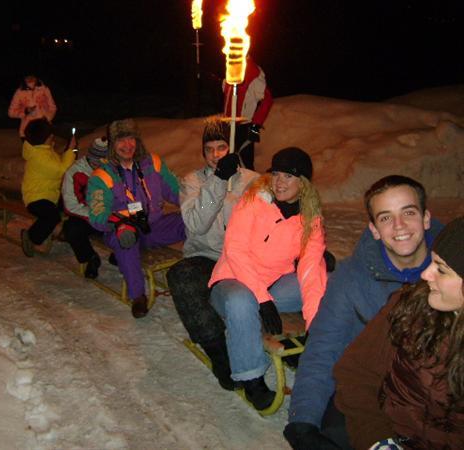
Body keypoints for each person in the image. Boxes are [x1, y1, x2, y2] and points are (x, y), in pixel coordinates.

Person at [284, 175, 444, 450]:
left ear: (426, 218)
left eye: (408, 212)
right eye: (385, 218)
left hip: (437, 397)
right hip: (372, 391)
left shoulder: (452, 271)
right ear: (373, 229)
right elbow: (324, 347)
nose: (399, 226)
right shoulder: (352, 279)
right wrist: (303, 420)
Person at [208, 147, 328, 410]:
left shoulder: (310, 219)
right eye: (276, 174)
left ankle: (302, 338)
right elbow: (235, 250)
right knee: (242, 302)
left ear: (303, 183)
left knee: (321, 278)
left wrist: (315, 322)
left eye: (288, 176)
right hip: (232, 280)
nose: (279, 182)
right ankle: (250, 376)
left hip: (274, 285)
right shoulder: (253, 200)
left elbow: (309, 269)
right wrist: (262, 299)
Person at [334, 216, 464, 450]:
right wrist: (377, 440)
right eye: (432, 262)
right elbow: (356, 372)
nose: (426, 274)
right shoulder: (411, 306)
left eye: (442, 270)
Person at [166, 117, 262, 390]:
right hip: (207, 255)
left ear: (231, 148)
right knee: (182, 277)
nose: (215, 155)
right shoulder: (193, 182)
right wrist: (218, 181)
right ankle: (217, 350)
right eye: (209, 149)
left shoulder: (253, 181)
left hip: (244, 259)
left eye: (221, 147)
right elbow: (197, 225)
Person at [86, 119, 185, 319]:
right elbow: (97, 217)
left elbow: (177, 193)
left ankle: (208, 273)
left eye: (131, 139)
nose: (127, 145)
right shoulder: (102, 177)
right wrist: (122, 221)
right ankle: (138, 295)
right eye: (121, 140)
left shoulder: (153, 163)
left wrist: (201, 205)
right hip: (123, 230)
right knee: (127, 240)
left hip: (154, 226)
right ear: (112, 145)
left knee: (191, 220)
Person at [20, 118, 76, 257]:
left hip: (48, 195)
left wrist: (68, 150)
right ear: (47, 137)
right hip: (36, 198)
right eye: (51, 134)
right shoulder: (40, 156)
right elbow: (61, 170)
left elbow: (58, 165)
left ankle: (62, 232)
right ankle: (31, 237)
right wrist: (70, 151)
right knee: (51, 217)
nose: (53, 136)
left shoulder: (43, 151)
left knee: (70, 207)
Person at [61, 137, 109, 278]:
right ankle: (90, 258)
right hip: (86, 216)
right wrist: (96, 215)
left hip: (108, 215)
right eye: (96, 163)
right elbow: (71, 206)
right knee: (71, 229)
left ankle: (120, 258)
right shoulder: (75, 173)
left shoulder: (111, 171)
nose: (98, 166)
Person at [222, 55, 273, 171]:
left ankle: (250, 188)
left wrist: (255, 125)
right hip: (228, 125)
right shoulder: (232, 67)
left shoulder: (252, 70)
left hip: (243, 126)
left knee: (243, 165)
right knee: (228, 163)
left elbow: (267, 100)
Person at [8, 74, 57, 139]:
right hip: (26, 130)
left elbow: (53, 107)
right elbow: (11, 113)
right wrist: (25, 111)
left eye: (32, 76)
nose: (30, 78)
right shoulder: (19, 92)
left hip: (45, 128)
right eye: (27, 76)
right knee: (30, 149)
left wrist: (47, 118)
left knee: (46, 149)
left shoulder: (44, 89)